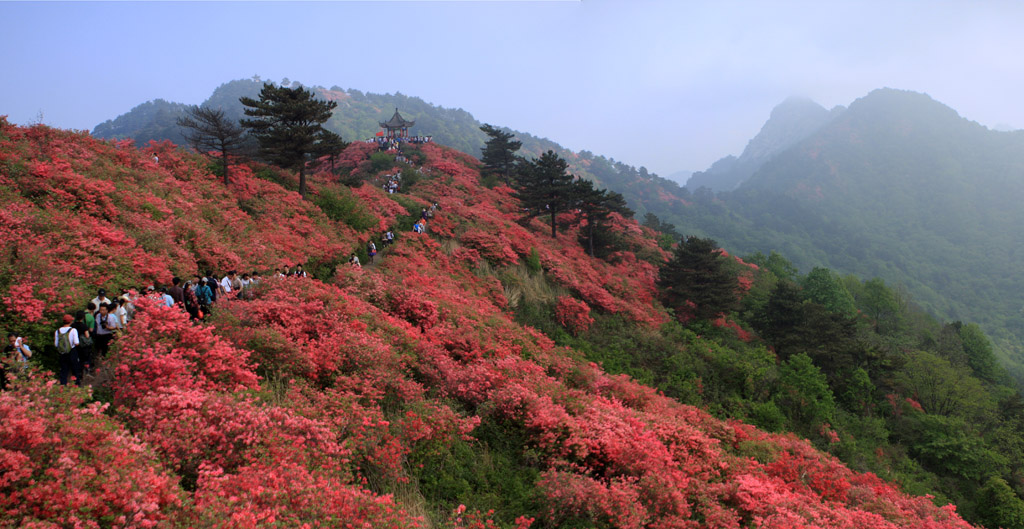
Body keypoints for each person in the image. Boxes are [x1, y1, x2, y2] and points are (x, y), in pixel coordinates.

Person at [55, 314, 82, 386]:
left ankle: (62, 386)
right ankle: (77, 385)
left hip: (62, 353)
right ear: (71, 321)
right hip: (72, 351)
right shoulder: (73, 330)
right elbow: (76, 343)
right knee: (75, 369)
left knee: (63, 370)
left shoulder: (58, 331)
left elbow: (56, 344)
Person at [71, 310, 91, 381]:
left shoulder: (73, 325)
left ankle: (76, 373)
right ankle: (83, 372)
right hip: (82, 345)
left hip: (74, 345)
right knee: (83, 359)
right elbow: (87, 336)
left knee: (76, 359)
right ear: (83, 318)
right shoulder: (84, 326)